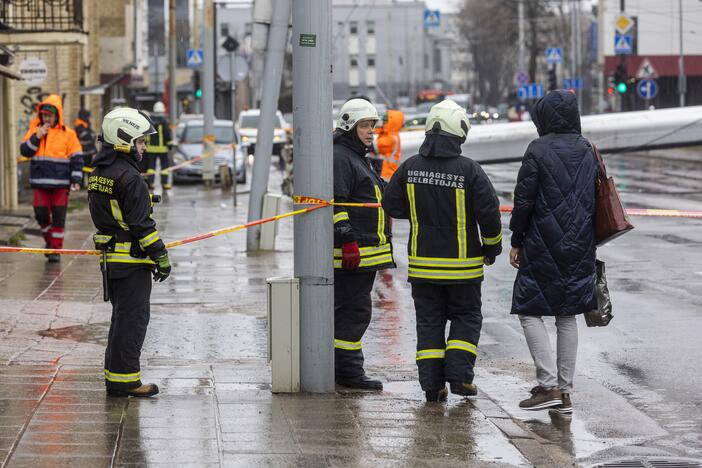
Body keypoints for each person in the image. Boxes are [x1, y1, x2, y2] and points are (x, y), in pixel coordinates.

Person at [382, 99, 503, 402]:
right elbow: (490, 215)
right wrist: (492, 248)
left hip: (423, 267)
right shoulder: (470, 171)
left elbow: (390, 204)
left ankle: (432, 386)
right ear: (459, 132)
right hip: (463, 268)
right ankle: (460, 377)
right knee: (466, 317)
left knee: (429, 322)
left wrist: (422, 212)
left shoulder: (410, 167)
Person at [509, 90, 597, 415]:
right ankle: (566, 392)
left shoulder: (538, 149)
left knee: (529, 310)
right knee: (567, 314)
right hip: (580, 244)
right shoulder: (587, 149)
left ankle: (547, 386)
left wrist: (516, 239)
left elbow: (524, 201)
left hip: (542, 243)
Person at [88, 107, 172, 398]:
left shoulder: (99, 172)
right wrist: (161, 256)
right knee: (132, 321)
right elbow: (142, 226)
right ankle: (127, 382)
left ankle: (116, 379)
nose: (144, 147)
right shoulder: (131, 177)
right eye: (140, 141)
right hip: (133, 260)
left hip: (112, 261)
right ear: (124, 139)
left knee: (120, 320)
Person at [333, 98, 396, 390]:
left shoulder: (356, 156)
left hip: (365, 252)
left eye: (372, 126)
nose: (371, 132)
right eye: (365, 126)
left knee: (355, 310)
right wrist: (347, 240)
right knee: (354, 312)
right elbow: (337, 202)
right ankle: (348, 373)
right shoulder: (341, 158)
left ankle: (346, 368)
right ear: (349, 127)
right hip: (355, 253)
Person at [19, 95, 83, 263]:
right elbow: (25, 151)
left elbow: (77, 158)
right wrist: (37, 136)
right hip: (39, 182)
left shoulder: (68, 134)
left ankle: (55, 249)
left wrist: (76, 179)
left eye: (49, 115)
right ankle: (50, 241)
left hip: (61, 184)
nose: (46, 118)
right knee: (40, 214)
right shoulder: (35, 130)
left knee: (59, 217)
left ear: (57, 115)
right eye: (44, 115)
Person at [145, 101, 173, 190]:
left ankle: (150, 183)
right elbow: (167, 134)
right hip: (162, 149)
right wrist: (170, 144)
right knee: (164, 167)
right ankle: (164, 184)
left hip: (151, 149)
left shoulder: (149, 120)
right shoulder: (164, 121)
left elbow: (145, 134)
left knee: (151, 167)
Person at [375, 110, 404, 181]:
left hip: (387, 175)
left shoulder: (391, 138)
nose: (382, 122)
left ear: (392, 123)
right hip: (385, 172)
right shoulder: (387, 135)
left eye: (385, 121)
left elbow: (372, 146)